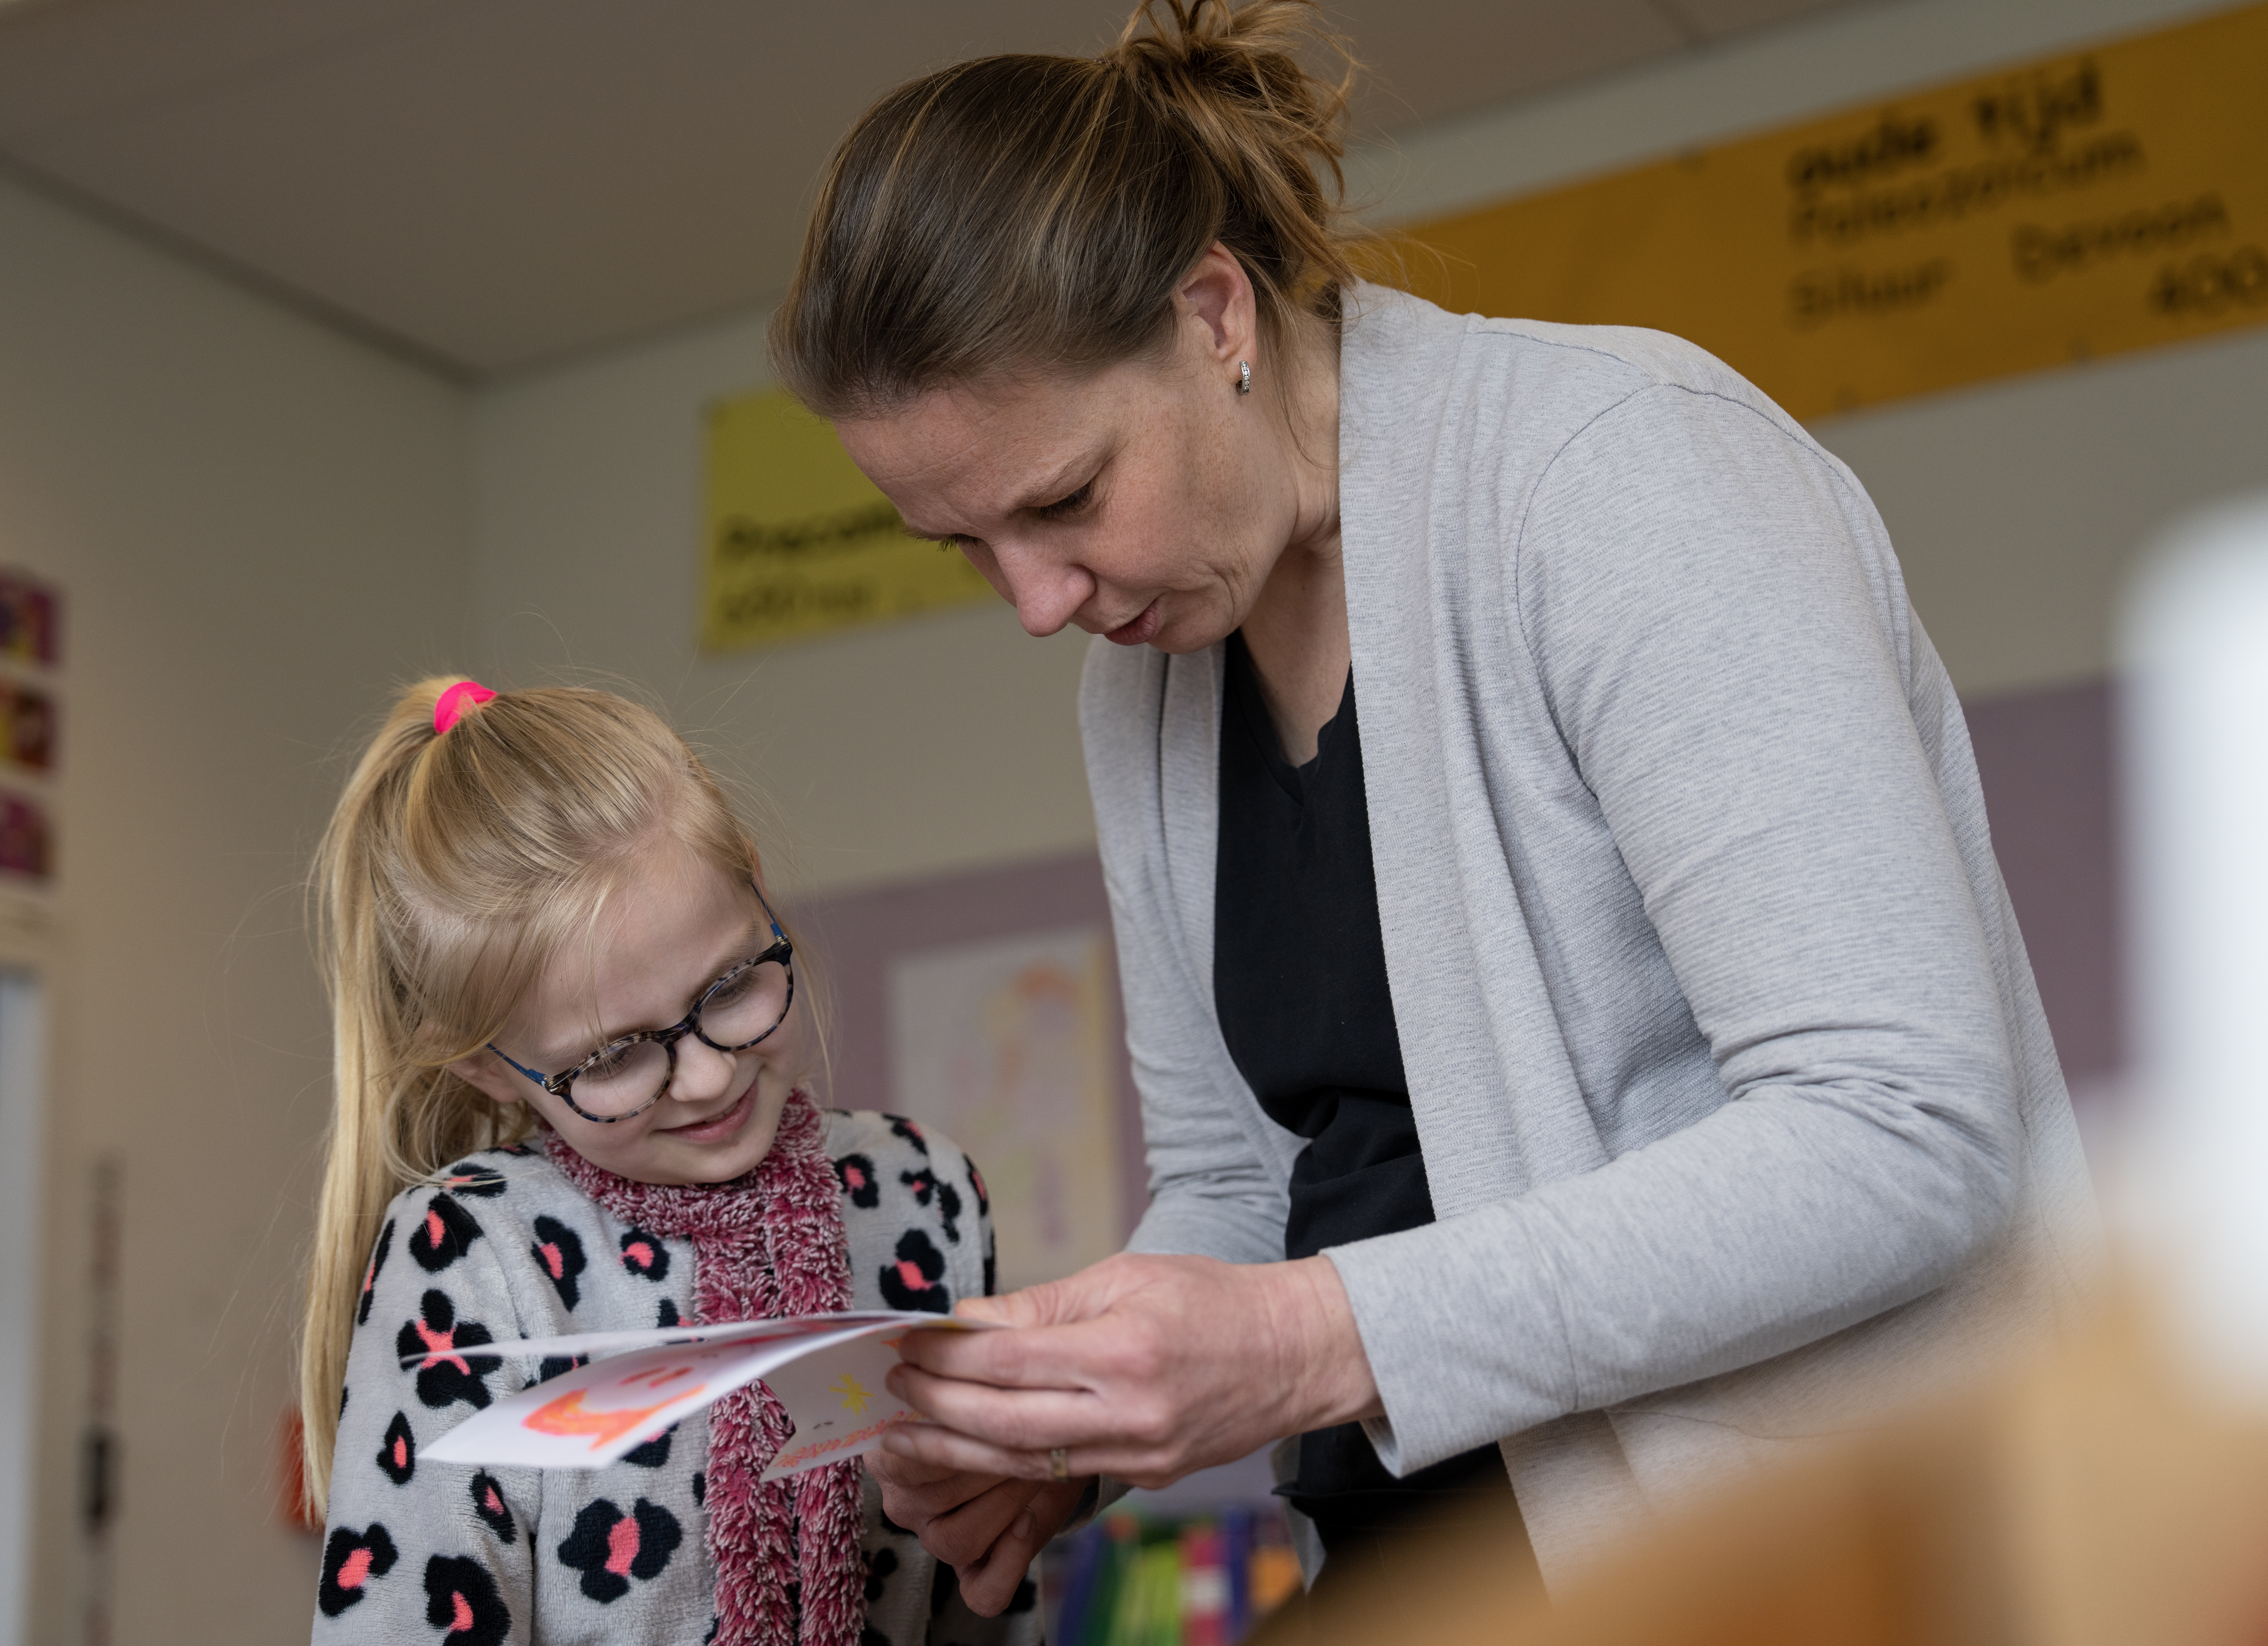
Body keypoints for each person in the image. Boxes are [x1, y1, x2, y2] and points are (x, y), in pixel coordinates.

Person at [770, 0, 2098, 1615]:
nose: (1039, 602)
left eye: (1065, 499)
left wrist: (1313, 1340)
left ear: (1213, 313)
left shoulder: (1611, 471)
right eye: (966, 547)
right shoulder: (1145, 681)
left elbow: (1907, 1132)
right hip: (1412, 1553)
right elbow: (1244, 1185)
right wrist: (1080, 1418)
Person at [298, 679, 1037, 1646]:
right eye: (614, 1058)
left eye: (729, 988)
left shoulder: (924, 1195)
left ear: (758, 890)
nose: (708, 1077)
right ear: (488, 1067)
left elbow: (986, 1594)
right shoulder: (472, 1257)